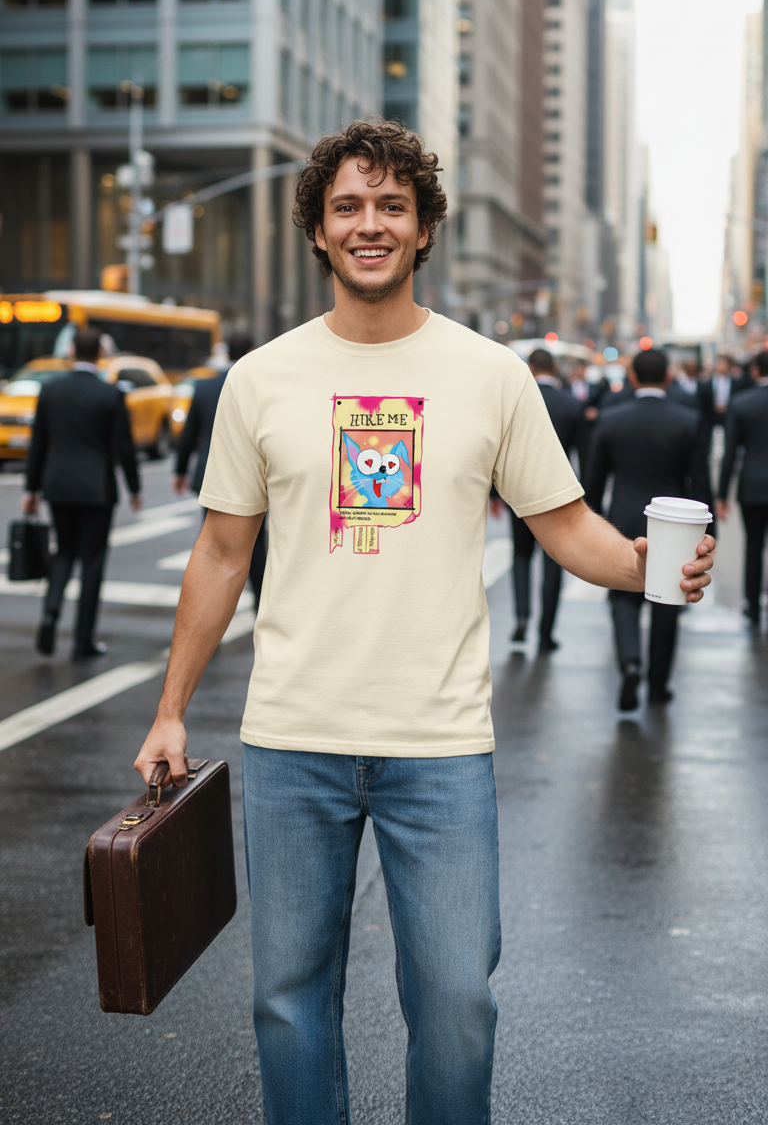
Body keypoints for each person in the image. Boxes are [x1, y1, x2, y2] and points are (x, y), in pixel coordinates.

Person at [134, 120, 714, 1124]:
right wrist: (171, 711)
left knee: (457, 1004)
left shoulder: (490, 376)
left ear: (424, 226)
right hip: (292, 740)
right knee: (288, 1002)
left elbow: (566, 523)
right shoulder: (260, 380)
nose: (371, 224)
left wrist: (646, 566)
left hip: (440, 748)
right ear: (318, 229)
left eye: (392, 206)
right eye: (349, 206)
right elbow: (223, 554)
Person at [585, 347, 713, 712]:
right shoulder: (687, 420)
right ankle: (658, 684)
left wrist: (592, 522)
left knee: (623, 596)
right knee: (670, 599)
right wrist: (705, 532)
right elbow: (700, 483)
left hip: (623, 517)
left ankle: (630, 662)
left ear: (634, 378)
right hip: (675, 523)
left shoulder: (610, 419)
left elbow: (593, 483)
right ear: (668, 378)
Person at [22, 327, 141, 660]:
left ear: (72, 351)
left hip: (57, 485)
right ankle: (82, 640)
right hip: (97, 488)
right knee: (92, 561)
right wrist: (134, 488)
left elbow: (39, 444)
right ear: (100, 355)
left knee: (63, 553)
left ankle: (50, 613)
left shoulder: (50, 391)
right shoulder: (110, 394)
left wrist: (31, 488)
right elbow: (125, 447)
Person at [491, 348, 583, 653]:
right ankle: (546, 631)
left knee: (521, 556)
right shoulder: (571, 405)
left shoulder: (517, 403)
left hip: (517, 491)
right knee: (554, 559)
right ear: (554, 368)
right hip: (558, 494)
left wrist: (493, 494)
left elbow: (496, 447)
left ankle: (520, 617)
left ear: (529, 368)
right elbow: (585, 455)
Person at [173, 333, 266, 610]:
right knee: (257, 547)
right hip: (253, 477)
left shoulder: (204, 387)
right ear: (250, 351)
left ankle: (212, 609)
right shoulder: (259, 386)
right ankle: (260, 605)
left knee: (215, 546)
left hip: (211, 477)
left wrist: (180, 471)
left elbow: (188, 435)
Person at [717, 348, 768, 626]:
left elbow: (729, 452)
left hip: (752, 485)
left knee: (753, 546)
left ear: (756, 371)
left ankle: (752, 605)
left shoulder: (741, 403)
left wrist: (722, 494)